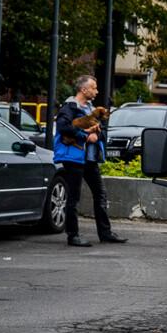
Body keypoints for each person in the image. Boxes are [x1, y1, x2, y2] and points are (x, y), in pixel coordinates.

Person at [53, 75, 127, 247]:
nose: (97, 91)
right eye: (94, 88)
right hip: (74, 158)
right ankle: (73, 236)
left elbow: (102, 132)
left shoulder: (91, 110)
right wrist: (84, 135)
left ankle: (105, 233)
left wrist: (96, 134)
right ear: (83, 90)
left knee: (100, 193)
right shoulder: (69, 108)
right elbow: (63, 127)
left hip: (89, 159)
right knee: (74, 197)